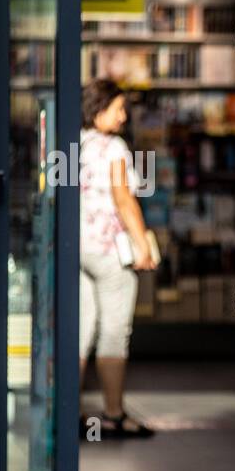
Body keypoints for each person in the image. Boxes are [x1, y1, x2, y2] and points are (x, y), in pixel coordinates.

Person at [79, 79, 159, 438]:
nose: (124, 117)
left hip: (76, 249)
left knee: (79, 333)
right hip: (110, 251)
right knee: (114, 333)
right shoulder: (114, 147)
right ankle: (113, 413)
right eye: (119, 108)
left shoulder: (72, 143)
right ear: (99, 109)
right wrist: (142, 244)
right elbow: (123, 199)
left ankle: (68, 412)